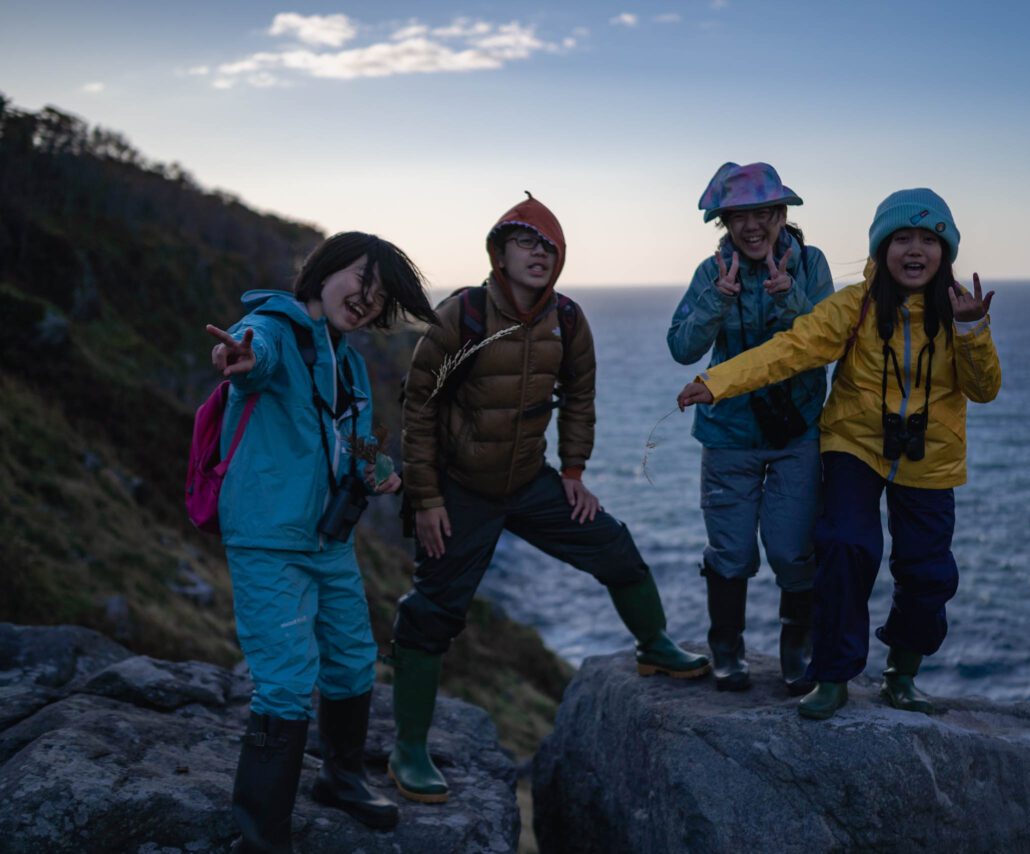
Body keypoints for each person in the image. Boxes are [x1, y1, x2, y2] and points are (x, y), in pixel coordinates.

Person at [391, 192, 709, 804]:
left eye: (550, 246)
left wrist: (573, 470)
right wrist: (427, 498)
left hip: (530, 482)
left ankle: (654, 647)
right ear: (499, 252)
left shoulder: (567, 318)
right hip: (461, 489)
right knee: (431, 613)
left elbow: (580, 397)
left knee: (614, 547)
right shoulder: (462, 316)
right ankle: (408, 748)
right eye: (526, 242)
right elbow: (419, 410)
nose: (539, 253)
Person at [678, 188, 1000, 719]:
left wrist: (971, 332)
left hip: (931, 454)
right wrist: (717, 381)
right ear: (880, 249)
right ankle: (832, 675)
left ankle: (902, 673)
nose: (915, 250)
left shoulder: (958, 309)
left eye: (928, 239)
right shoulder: (856, 305)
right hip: (854, 443)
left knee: (928, 570)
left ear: (946, 252)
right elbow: (794, 348)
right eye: (901, 239)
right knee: (844, 545)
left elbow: (985, 388)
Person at [205, 232, 437, 851]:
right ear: (327, 270)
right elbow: (259, 360)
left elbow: (351, 436)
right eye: (361, 282)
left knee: (352, 656)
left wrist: (377, 466)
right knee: (284, 678)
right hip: (268, 534)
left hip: (327, 539)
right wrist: (244, 361)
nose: (366, 301)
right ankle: (262, 834)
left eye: (380, 297)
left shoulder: (349, 358)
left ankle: (340, 779)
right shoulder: (272, 327)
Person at [667, 162, 834, 694]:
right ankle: (726, 647)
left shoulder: (810, 264)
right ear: (725, 221)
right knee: (732, 551)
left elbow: (830, 341)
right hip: (728, 434)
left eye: (765, 212)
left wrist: (789, 297)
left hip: (796, 432)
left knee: (792, 549)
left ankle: (796, 646)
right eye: (741, 215)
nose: (754, 225)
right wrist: (719, 298)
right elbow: (682, 347)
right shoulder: (710, 271)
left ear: (782, 215)